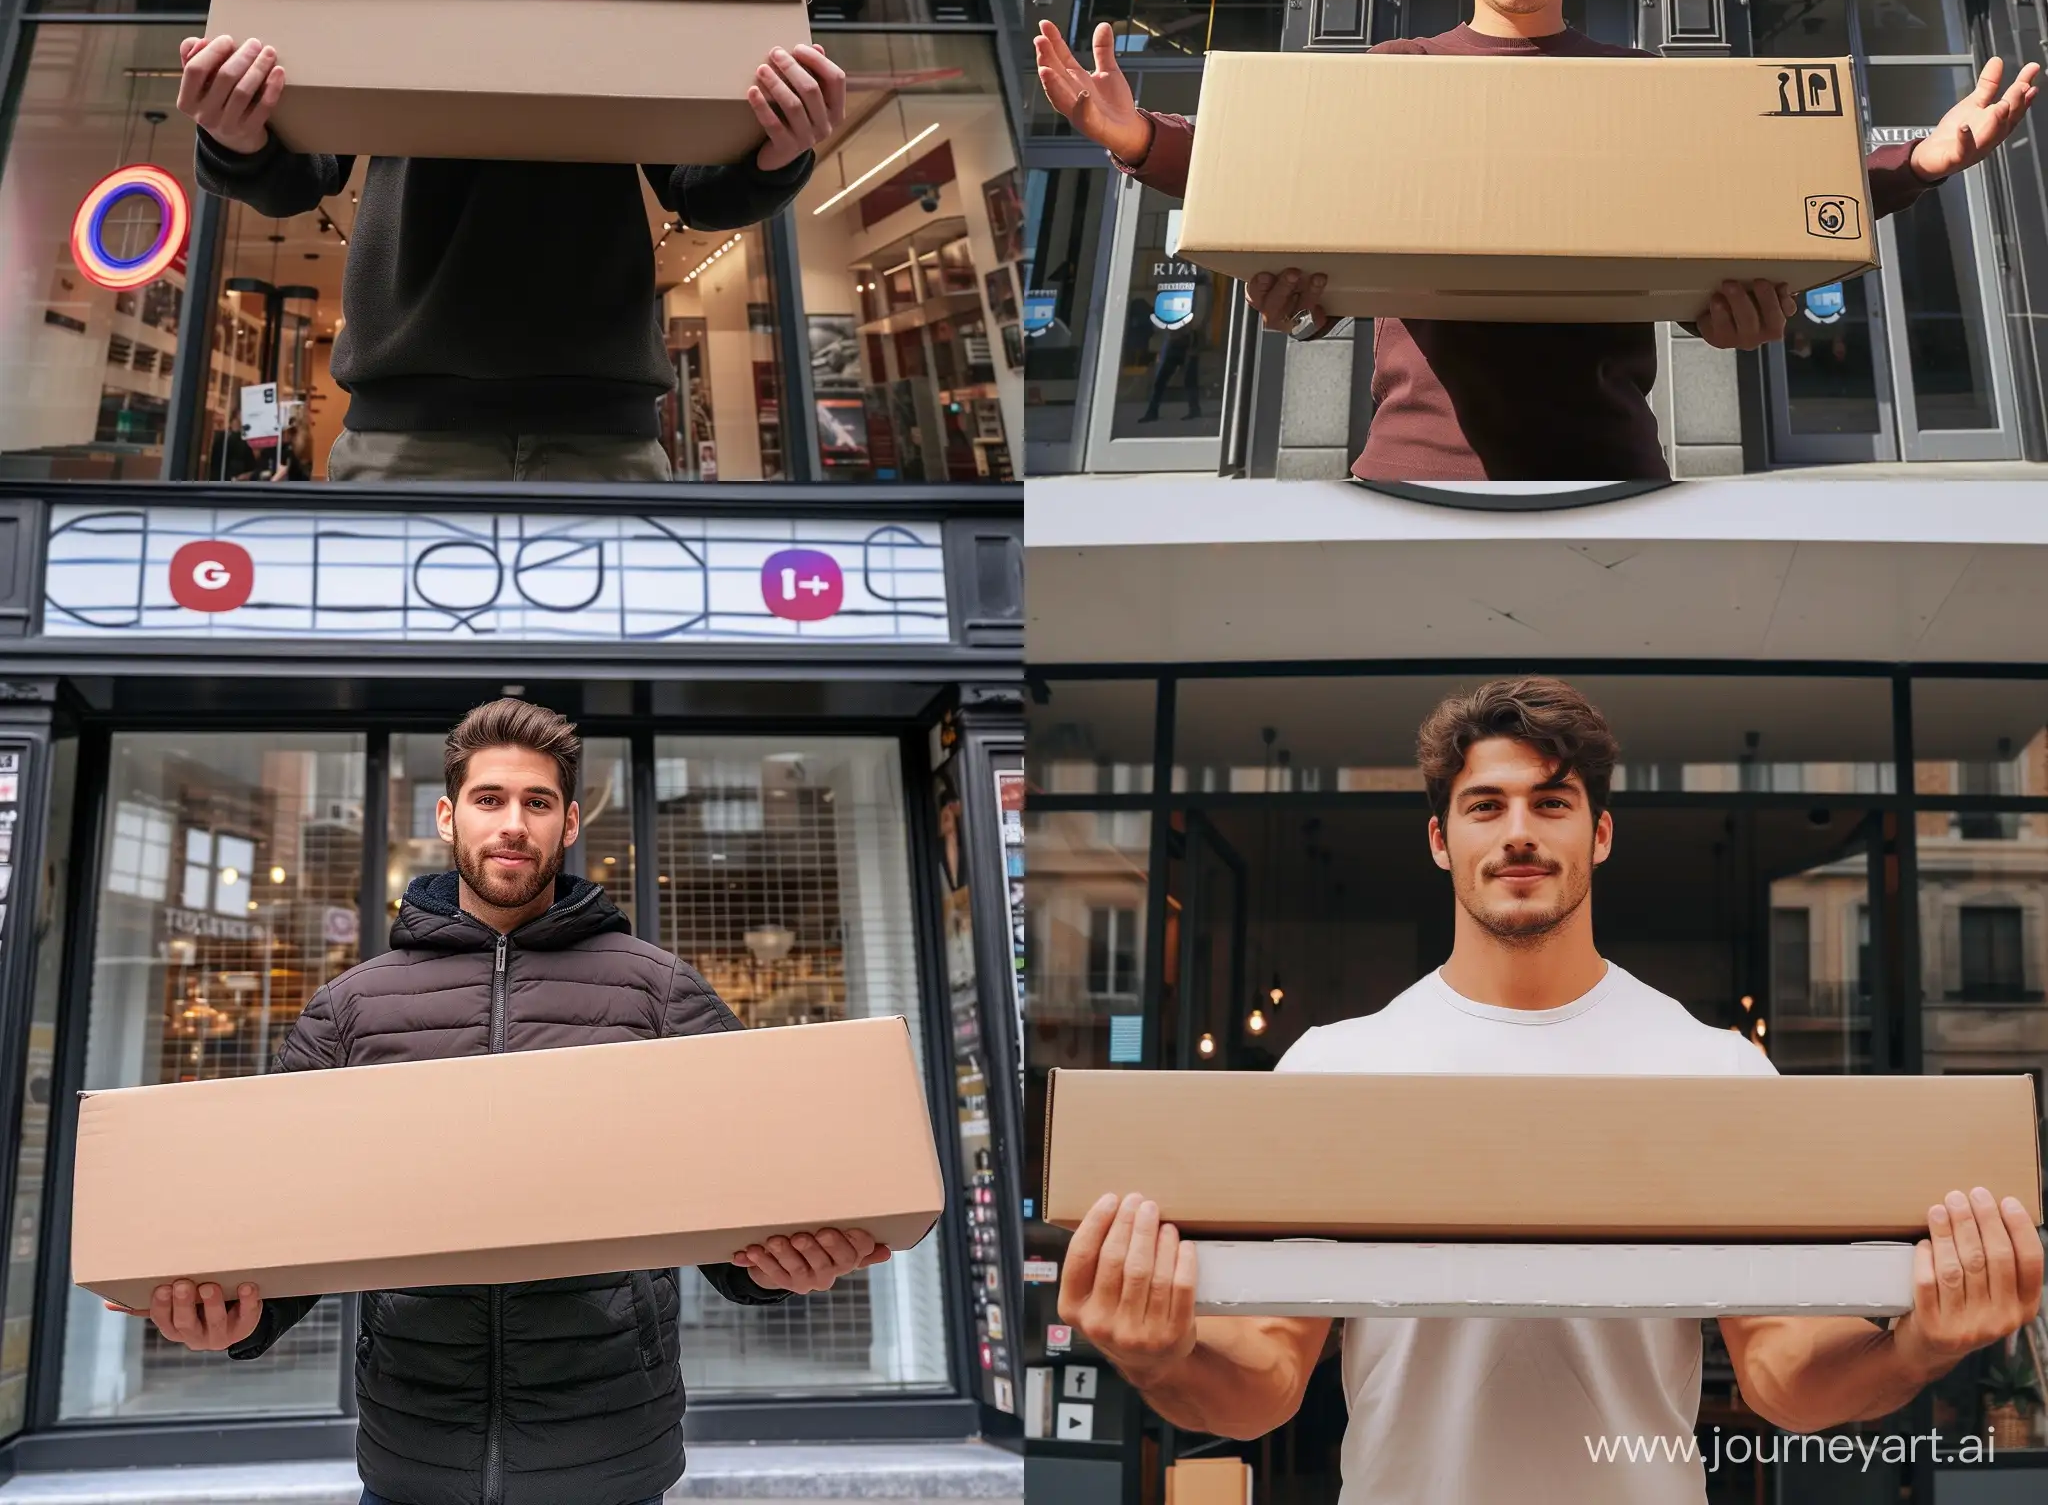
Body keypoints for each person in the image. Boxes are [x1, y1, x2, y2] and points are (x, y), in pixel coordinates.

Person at [1057, 677, 2046, 1504]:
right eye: (1485, 804)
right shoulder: (1338, 1066)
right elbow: (1264, 1381)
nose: (1517, 830)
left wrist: (1919, 1345)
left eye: (1550, 800)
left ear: (1599, 831)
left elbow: (1781, 1374)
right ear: (1440, 838)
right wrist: (1155, 1352)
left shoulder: (1712, 1070)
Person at [1036, 0, 2041, 481]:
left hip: (1608, 472)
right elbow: (1275, 168)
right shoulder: (1399, 70)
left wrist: (1921, 159)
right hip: (1414, 473)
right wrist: (1141, 140)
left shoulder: (1635, 85)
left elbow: (1774, 196)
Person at [122, 697, 886, 1505]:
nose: (512, 823)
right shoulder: (351, 1008)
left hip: (610, 1457)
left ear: (570, 823)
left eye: (538, 801)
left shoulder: (658, 991)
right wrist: (241, 1320)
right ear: (448, 817)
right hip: (414, 1458)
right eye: (489, 800)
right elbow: (281, 1219)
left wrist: (785, 1266)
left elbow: (748, 1208)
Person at [181, 0, 846, 485]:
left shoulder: (644, 6)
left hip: (603, 434)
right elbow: (301, 176)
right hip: (410, 428)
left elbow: (703, 189)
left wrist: (781, 151)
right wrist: (235, 138)